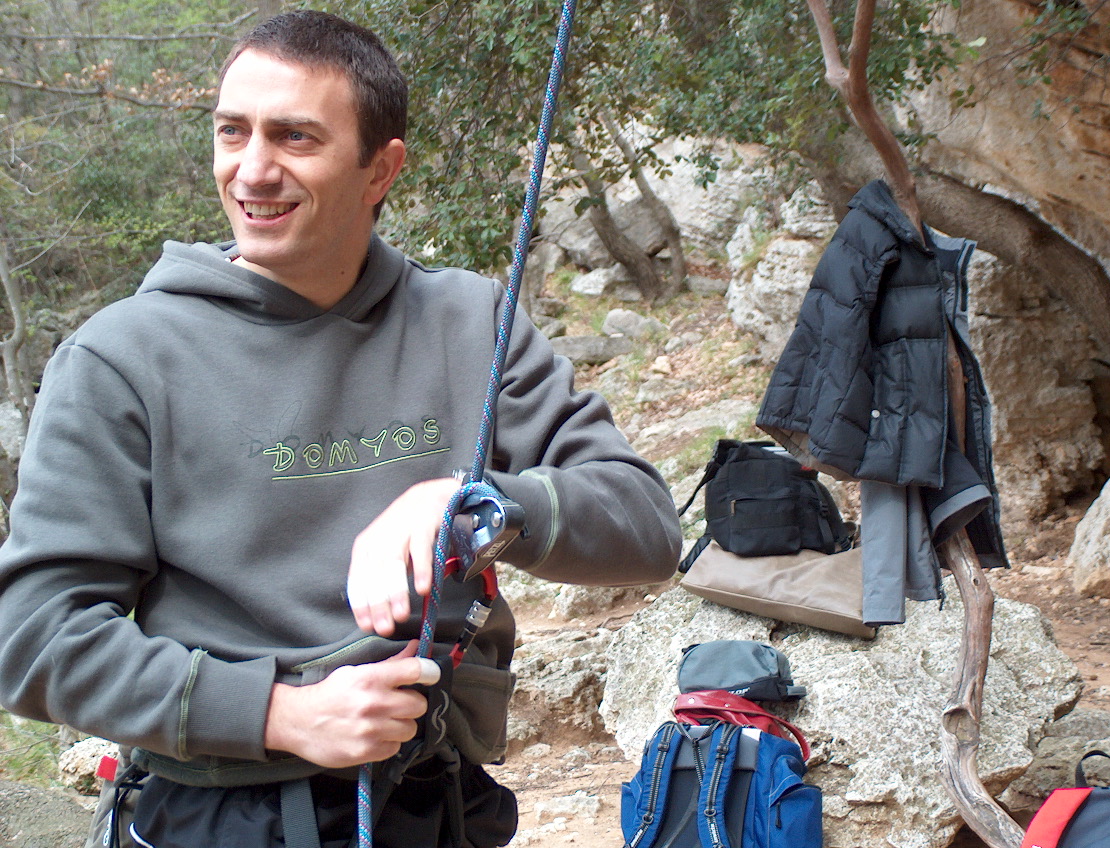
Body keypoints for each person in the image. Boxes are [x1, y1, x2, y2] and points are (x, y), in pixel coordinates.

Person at [0, 11, 681, 848]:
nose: (253, 169)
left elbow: (648, 527)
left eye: (295, 137)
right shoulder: (121, 358)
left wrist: (472, 502)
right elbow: (34, 637)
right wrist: (280, 714)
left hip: (441, 803)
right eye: (232, 132)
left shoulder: (469, 321)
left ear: (380, 169)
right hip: (220, 816)